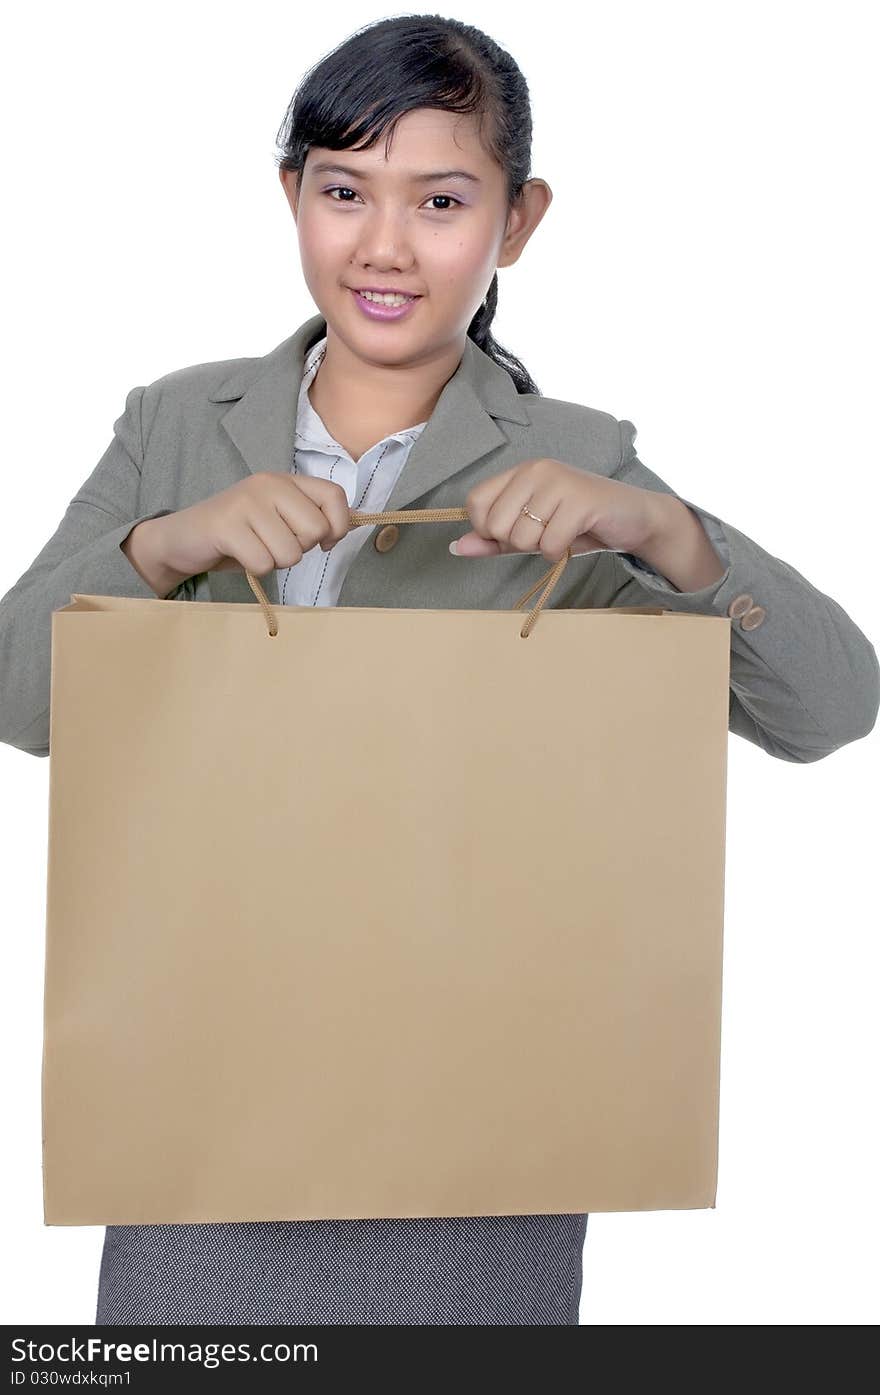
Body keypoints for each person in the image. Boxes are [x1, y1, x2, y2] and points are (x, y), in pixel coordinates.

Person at [1, 14, 877, 1327]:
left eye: (444, 199)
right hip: (207, 1093)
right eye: (344, 191)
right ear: (290, 195)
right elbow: (23, 704)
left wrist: (671, 535)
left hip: (479, 1126)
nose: (386, 245)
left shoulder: (578, 461)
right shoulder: (180, 427)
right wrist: (161, 543)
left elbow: (831, 710)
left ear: (517, 221)